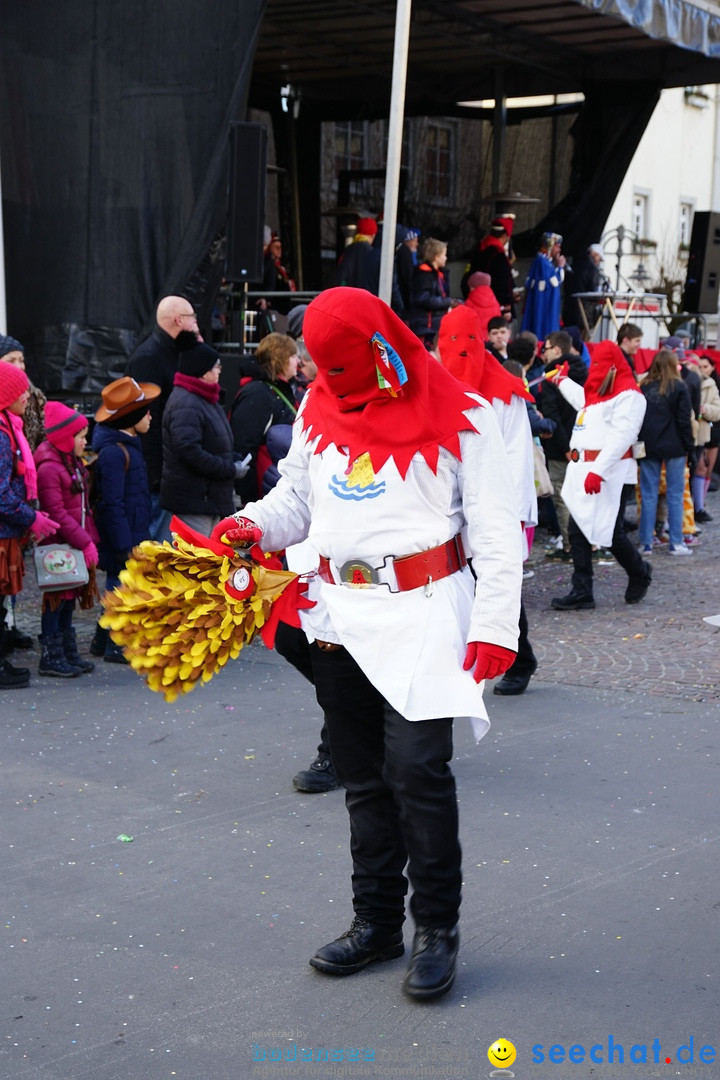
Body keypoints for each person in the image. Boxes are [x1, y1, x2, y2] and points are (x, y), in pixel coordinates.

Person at [211, 287, 522, 1000]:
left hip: (422, 617)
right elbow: (295, 498)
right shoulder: (320, 409)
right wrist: (252, 525)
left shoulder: (466, 420)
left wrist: (495, 627)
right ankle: (377, 922)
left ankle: (436, 930)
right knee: (362, 779)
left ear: (381, 352)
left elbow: (498, 532)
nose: (333, 383)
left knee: (417, 774)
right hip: (336, 617)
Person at [437, 304, 538, 696]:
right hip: (449, 504)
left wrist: (503, 517)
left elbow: (514, 455)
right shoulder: (435, 384)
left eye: (469, 342)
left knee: (495, 577)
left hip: (494, 503)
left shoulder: (504, 391)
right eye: (452, 342)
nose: (461, 351)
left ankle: (519, 657)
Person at [549, 340, 651, 610]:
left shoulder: (630, 396)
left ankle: (639, 571)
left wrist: (598, 471)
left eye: (599, 366)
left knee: (611, 533)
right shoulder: (599, 395)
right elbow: (582, 399)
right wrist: (562, 381)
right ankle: (582, 590)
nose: (595, 370)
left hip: (610, 474)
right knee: (577, 531)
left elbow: (622, 437)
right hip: (583, 470)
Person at [90, 376, 160, 663]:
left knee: (120, 585)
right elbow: (112, 503)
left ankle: (101, 639)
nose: (150, 416)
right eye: (145, 412)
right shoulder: (114, 453)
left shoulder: (128, 445)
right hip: (122, 535)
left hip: (132, 530)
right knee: (119, 587)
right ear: (131, 418)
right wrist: (123, 544)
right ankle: (114, 644)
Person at [0, 363, 59, 688]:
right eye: (19, 390)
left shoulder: (10, 425)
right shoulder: (0, 434)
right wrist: (31, 517)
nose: (26, 395)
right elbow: (1, 494)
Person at [34, 402, 100, 677]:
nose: (85, 441)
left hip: (72, 542)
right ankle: (51, 654)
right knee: (57, 599)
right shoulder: (50, 468)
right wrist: (84, 541)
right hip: (59, 546)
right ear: (64, 438)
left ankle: (66, 649)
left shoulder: (70, 463)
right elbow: (57, 512)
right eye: (81, 436)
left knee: (69, 597)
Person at [126, 296, 200, 540]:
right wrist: (157, 476)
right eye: (193, 319)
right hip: (155, 477)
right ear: (179, 320)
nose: (197, 325)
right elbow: (146, 420)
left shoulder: (170, 353)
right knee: (155, 548)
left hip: (166, 473)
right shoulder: (149, 358)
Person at [160, 339, 239, 537]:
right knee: (198, 560)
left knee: (210, 558)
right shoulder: (187, 402)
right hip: (195, 500)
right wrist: (228, 468)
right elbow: (188, 451)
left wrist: (233, 459)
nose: (220, 370)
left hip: (207, 499)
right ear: (203, 371)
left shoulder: (205, 398)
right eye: (217, 366)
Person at [636, 350, 696, 555]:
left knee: (648, 495)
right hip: (675, 445)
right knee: (675, 494)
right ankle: (676, 542)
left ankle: (646, 542)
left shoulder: (643, 386)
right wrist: (690, 447)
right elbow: (683, 421)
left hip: (649, 445)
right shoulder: (679, 387)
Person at [228, 332, 298, 504]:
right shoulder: (258, 394)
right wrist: (248, 500)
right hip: (263, 491)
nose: (298, 361)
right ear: (281, 358)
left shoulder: (275, 390)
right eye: (293, 356)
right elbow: (244, 447)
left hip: (277, 485)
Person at [538, 331, 588, 559]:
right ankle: (588, 544)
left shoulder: (552, 377)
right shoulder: (585, 371)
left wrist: (566, 446)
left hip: (562, 449)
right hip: (585, 446)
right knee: (582, 496)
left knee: (563, 498)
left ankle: (571, 546)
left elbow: (553, 415)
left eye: (546, 348)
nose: (543, 353)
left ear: (557, 350)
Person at [462, 216, 517, 320]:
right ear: (505, 235)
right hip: (495, 307)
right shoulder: (498, 255)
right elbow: (502, 284)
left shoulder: (479, 249)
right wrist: (506, 307)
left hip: (475, 302)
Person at [0, 335, 46, 452]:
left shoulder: (34, 395)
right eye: (11, 361)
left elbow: (41, 436)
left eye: (21, 361)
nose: (19, 366)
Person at [409, 238, 456, 348]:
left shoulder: (440, 274)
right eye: (444, 255)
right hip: (426, 327)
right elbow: (423, 298)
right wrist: (448, 302)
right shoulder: (423, 275)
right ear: (436, 257)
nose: (446, 258)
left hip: (436, 326)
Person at [521, 232, 565, 339]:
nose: (559, 250)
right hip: (545, 309)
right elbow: (555, 281)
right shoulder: (543, 263)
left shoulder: (542, 262)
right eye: (557, 246)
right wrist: (560, 267)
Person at [694, 354, 720, 519]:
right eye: (700, 366)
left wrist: (707, 410)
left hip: (715, 430)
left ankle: (701, 503)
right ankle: (698, 507)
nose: (703, 369)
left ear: (712, 368)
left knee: (708, 469)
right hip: (701, 431)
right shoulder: (695, 382)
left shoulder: (715, 385)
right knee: (701, 467)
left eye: (706, 366)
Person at [563, 243, 604, 331]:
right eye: (599, 259)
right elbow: (594, 291)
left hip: (568, 309)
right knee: (582, 339)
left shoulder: (573, 265)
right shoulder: (592, 269)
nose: (599, 262)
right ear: (595, 255)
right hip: (584, 312)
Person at [335, 217, 380, 293]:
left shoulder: (349, 249)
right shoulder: (372, 253)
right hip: (364, 297)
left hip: (348, 295)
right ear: (373, 235)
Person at [261, 233, 296, 315]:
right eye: (276, 247)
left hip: (283, 306)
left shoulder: (281, 268)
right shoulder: (268, 265)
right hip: (274, 306)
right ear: (270, 248)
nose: (280, 250)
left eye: (280, 247)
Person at [464, 271, 502, 340]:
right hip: (492, 338)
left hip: (477, 339)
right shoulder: (495, 302)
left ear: (472, 287)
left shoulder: (469, 303)